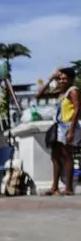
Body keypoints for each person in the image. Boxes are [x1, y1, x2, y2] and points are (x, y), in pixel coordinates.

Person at [36, 67, 79, 195]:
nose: (62, 81)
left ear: (71, 79)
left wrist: (71, 131)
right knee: (55, 156)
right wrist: (51, 79)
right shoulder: (61, 92)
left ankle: (69, 188)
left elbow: (77, 110)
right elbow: (40, 95)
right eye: (60, 78)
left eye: (65, 78)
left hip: (69, 125)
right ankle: (54, 186)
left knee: (66, 155)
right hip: (59, 126)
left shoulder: (73, 91)